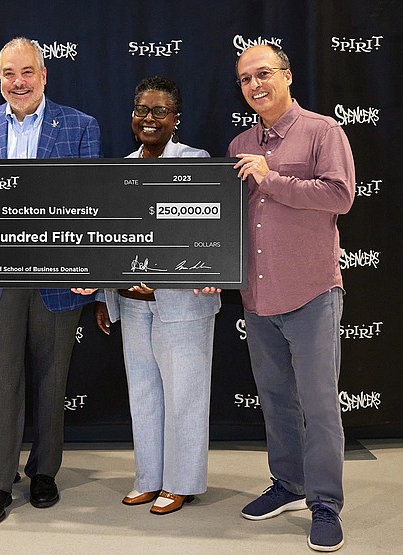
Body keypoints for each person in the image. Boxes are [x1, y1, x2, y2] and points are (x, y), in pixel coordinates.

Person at [0, 37, 101, 525]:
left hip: (59, 277)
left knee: (51, 377)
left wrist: (90, 270)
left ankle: (44, 472)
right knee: (0, 381)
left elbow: (91, 207)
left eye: (26, 72)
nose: (16, 82)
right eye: (7, 74)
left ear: (44, 75)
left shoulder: (81, 126)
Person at [228, 44, 355, 552]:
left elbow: (340, 195)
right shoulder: (240, 141)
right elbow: (231, 220)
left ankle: (325, 504)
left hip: (311, 292)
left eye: (263, 74)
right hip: (258, 296)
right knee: (276, 400)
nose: (254, 84)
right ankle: (288, 483)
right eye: (244, 79)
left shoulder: (322, 130)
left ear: (287, 75)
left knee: (320, 406)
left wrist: (272, 179)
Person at [95, 76, 221, 516]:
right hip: (133, 304)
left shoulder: (196, 160)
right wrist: (102, 296)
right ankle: (149, 477)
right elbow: (109, 239)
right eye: (142, 111)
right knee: (144, 393)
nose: (150, 119)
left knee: (184, 394)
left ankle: (181, 482)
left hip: (182, 304)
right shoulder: (123, 166)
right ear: (132, 118)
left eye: (160, 111)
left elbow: (203, 231)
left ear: (176, 118)